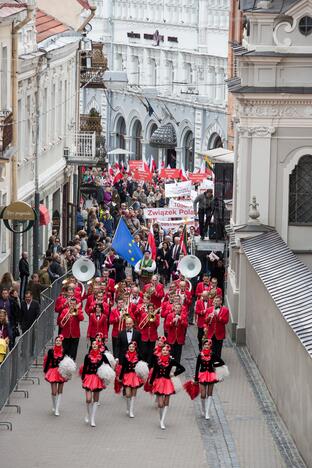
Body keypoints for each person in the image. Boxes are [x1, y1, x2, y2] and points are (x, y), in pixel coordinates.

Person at [149, 344, 185, 430]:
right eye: (163, 350)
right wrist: (151, 382)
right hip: (158, 382)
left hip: (167, 383)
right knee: (160, 404)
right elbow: (154, 373)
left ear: (169, 352)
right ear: (161, 351)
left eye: (166, 350)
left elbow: (182, 368)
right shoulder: (157, 360)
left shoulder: (171, 361)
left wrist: (174, 374)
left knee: (166, 402)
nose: (165, 351)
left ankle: (162, 421)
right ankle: (161, 418)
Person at [81, 339, 111, 427]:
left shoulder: (102, 356)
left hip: (97, 378)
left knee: (95, 399)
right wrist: (83, 378)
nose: (94, 345)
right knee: (88, 399)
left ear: (98, 346)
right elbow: (85, 367)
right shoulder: (87, 356)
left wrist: (105, 373)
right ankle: (88, 413)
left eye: (96, 344)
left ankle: (93, 419)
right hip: (89, 378)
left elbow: (108, 365)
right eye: (93, 344)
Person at [194, 338, 223, 420]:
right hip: (202, 375)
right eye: (205, 345)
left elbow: (221, 362)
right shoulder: (200, 355)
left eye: (208, 345)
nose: (206, 346)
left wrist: (214, 365)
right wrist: (196, 378)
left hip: (210, 375)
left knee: (209, 394)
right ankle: (203, 409)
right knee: (203, 394)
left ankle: (207, 412)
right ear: (203, 346)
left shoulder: (212, 354)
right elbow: (197, 367)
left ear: (210, 346)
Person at [44, 335, 68, 416]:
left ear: (61, 342)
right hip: (53, 372)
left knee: (60, 391)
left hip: (61, 372)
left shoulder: (64, 351)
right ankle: (54, 405)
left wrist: (67, 372)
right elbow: (47, 361)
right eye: (57, 341)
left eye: (59, 341)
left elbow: (66, 362)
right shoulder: (51, 351)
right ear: (55, 342)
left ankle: (57, 409)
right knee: (54, 392)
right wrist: (45, 371)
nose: (58, 342)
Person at [119, 341, 143, 418]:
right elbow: (123, 367)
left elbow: (142, 364)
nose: (131, 348)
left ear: (135, 348)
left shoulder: (138, 356)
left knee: (133, 394)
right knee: (128, 394)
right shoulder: (125, 356)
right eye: (130, 347)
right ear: (128, 348)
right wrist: (120, 377)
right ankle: (128, 407)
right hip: (127, 376)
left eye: (132, 347)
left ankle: (131, 410)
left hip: (135, 376)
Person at [138, 303, 160, 367]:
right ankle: (143, 364)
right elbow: (140, 326)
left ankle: (149, 365)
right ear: (147, 309)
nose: (150, 310)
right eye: (149, 309)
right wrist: (145, 321)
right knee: (144, 351)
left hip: (152, 336)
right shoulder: (143, 315)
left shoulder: (156, 316)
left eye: (152, 309)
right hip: (145, 336)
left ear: (153, 309)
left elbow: (157, 325)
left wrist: (154, 319)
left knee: (151, 352)